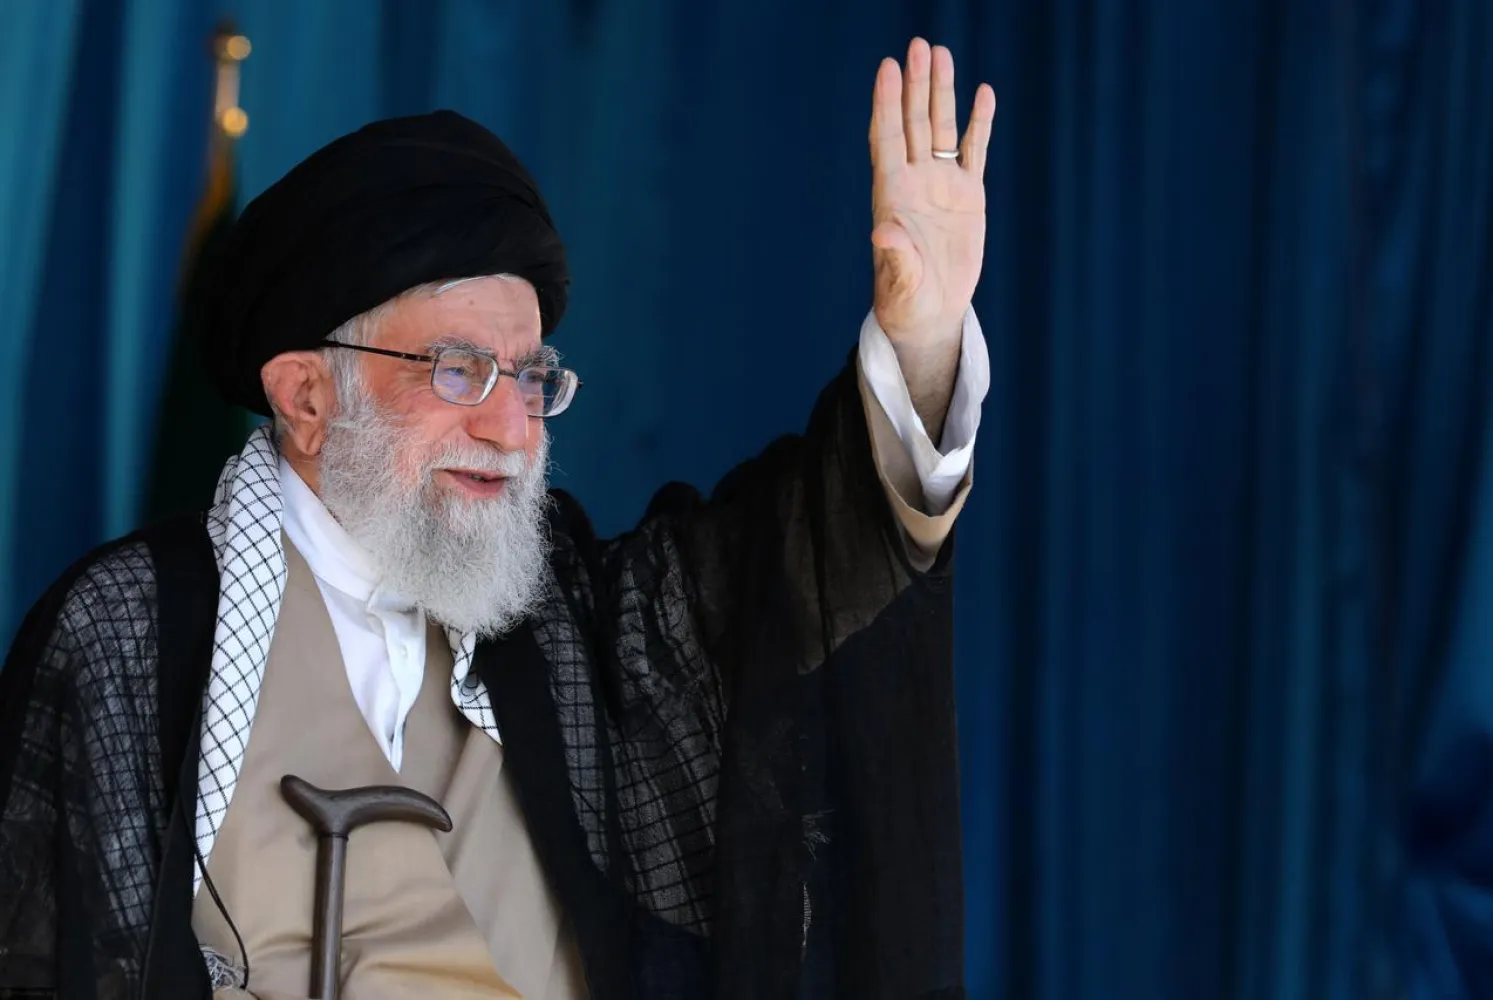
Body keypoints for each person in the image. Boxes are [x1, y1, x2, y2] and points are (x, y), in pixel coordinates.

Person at [0, 37, 994, 1000]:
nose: (512, 427)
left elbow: (793, 569)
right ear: (305, 396)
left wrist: (923, 343)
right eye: (458, 369)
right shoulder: (129, 635)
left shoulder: (571, 617)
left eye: (529, 377)